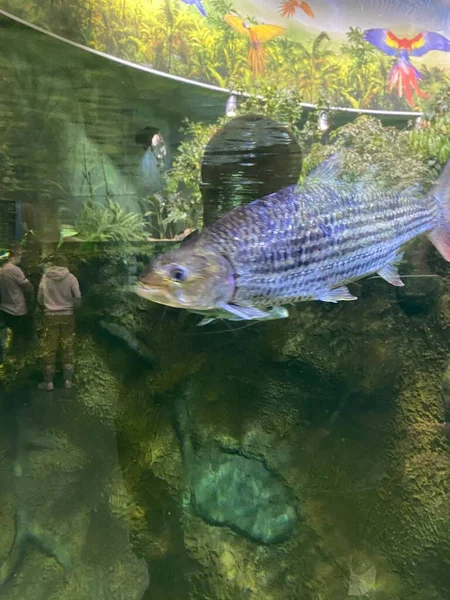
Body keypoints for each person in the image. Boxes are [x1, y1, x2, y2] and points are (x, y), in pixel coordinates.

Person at [37, 254, 81, 391]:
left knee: (49, 348)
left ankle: (48, 383)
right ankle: (68, 381)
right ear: (65, 263)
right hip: (67, 316)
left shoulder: (45, 277)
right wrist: (71, 307)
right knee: (68, 345)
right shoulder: (71, 278)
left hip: (50, 316)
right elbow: (78, 299)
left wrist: (46, 306)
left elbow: (40, 298)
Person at [0, 245, 34, 358]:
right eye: (20, 255)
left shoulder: (2, 269)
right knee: (20, 337)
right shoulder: (14, 270)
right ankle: (19, 358)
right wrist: (31, 301)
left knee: (10, 336)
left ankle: (10, 358)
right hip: (17, 309)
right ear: (16, 255)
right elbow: (28, 287)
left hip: (5, 308)